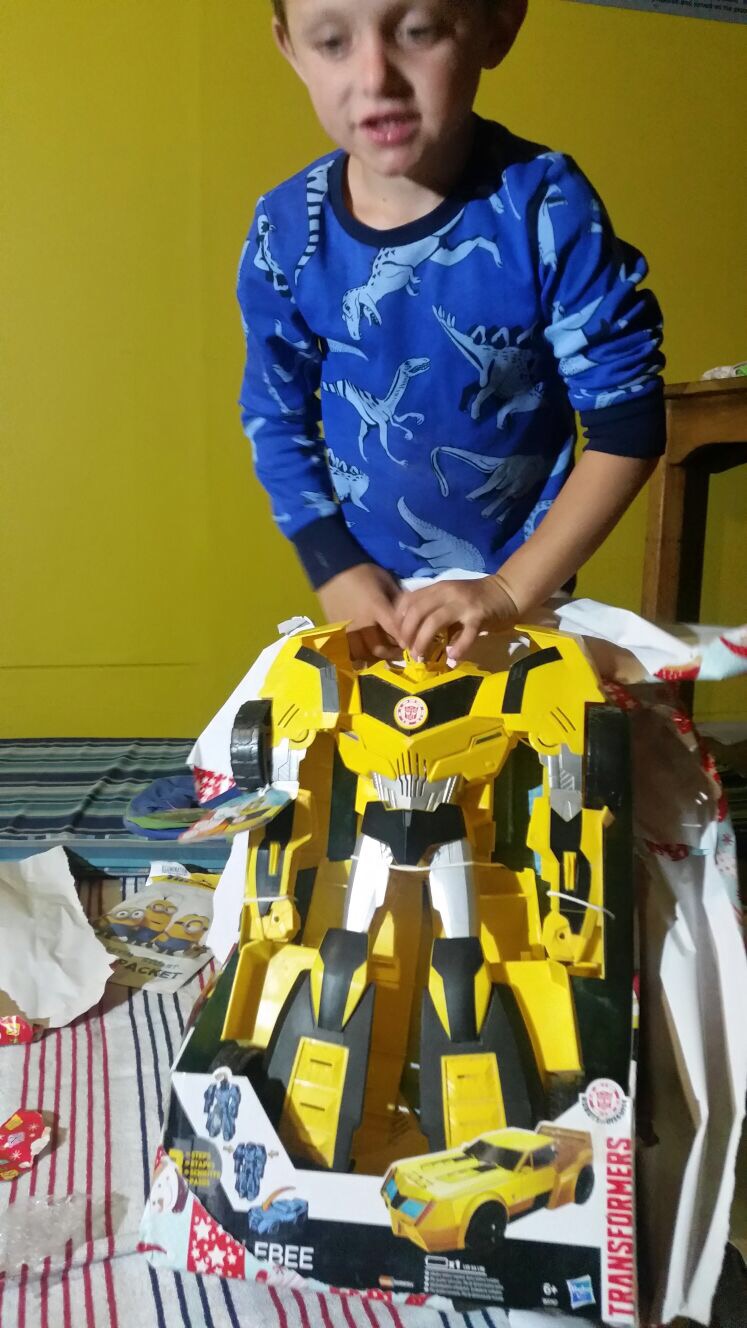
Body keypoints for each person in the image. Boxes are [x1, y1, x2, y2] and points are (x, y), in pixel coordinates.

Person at [237, 0, 665, 663]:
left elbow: (627, 423)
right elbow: (275, 416)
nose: (375, 77)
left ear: (498, 25)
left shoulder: (546, 206)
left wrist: (507, 591)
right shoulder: (283, 231)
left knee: (622, 708)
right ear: (290, 49)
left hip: (521, 599)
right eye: (331, 41)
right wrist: (333, 566)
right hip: (374, 609)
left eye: (418, 31)